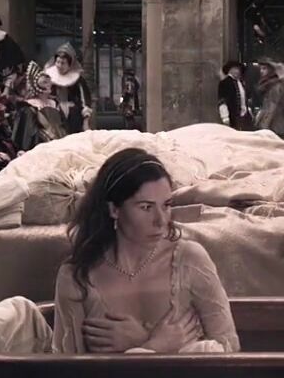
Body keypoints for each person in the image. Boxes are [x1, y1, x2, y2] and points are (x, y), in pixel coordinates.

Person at [53, 149, 239, 354]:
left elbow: (229, 349)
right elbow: (65, 367)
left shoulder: (190, 260)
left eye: (166, 205)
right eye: (146, 207)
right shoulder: (76, 277)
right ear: (114, 210)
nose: (161, 221)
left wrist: (141, 341)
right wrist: (153, 346)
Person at [12, 65, 69, 153]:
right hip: (41, 147)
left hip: (60, 143)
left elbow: (63, 125)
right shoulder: (29, 107)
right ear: (36, 86)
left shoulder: (54, 103)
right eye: (45, 82)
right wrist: (47, 136)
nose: (49, 85)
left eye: (49, 82)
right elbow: (28, 134)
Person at [44, 43, 94, 134]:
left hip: (74, 116)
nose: (59, 65)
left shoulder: (78, 80)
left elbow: (85, 101)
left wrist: (86, 121)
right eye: (58, 62)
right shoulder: (49, 77)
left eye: (63, 63)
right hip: (55, 114)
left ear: (69, 64)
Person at [255, 60, 284, 136]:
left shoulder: (274, 85)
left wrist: (265, 124)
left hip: (272, 123)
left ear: (271, 70)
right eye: (261, 69)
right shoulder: (267, 84)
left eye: (264, 68)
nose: (261, 71)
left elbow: (273, 105)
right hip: (269, 119)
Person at [217, 61, 251, 130]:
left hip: (244, 116)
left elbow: (245, 99)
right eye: (235, 69)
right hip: (232, 116)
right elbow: (222, 101)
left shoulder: (241, 83)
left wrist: (248, 110)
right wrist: (225, 117)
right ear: (229, 70)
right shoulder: (225, 82)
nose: (237, 71)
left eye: (239, 69)